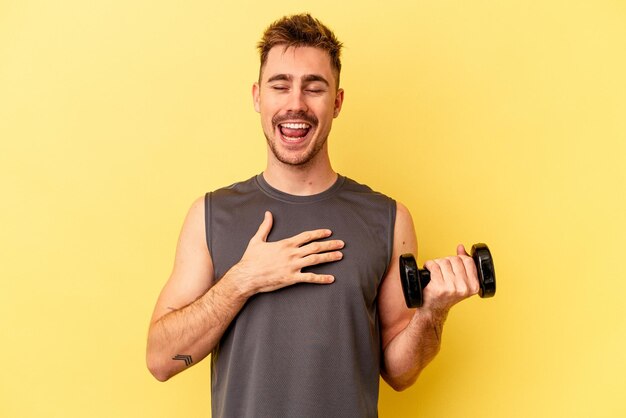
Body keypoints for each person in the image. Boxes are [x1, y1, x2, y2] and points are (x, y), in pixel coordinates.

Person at [146, 13, 480, 418]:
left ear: (337, 102)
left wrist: (433, 311)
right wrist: (243, 280)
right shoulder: (210, 215)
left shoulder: (388, 219)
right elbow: (161, 360)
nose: (295, 104)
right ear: (257, 96)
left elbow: (400, 373)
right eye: (280, 85)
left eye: (314, 87)